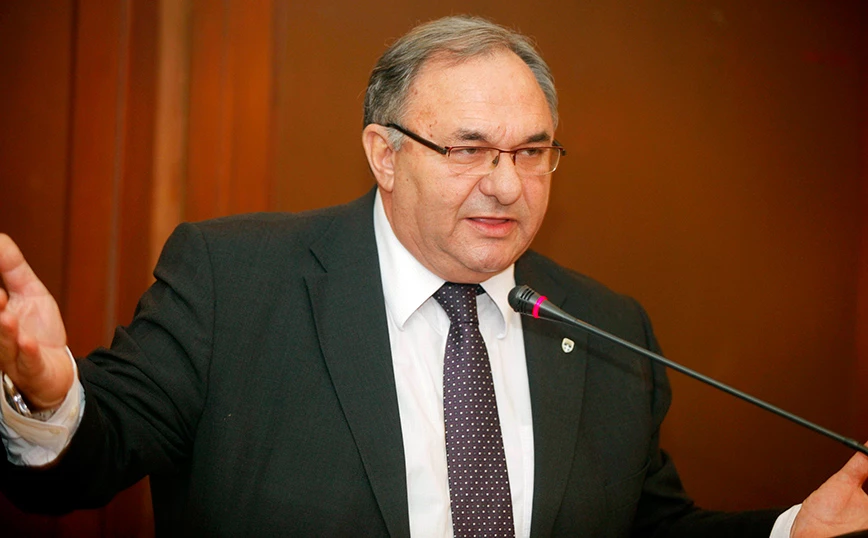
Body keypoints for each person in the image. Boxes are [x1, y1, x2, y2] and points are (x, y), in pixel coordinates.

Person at [1, 15, 867, 538]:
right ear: (384, 153)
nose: (506, 185)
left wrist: (791, 532)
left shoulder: (606, 326)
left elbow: (646, 526)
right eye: (468, 150)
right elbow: (95, 457)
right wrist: (47, 391)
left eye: (531, 152)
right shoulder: (236, 282)